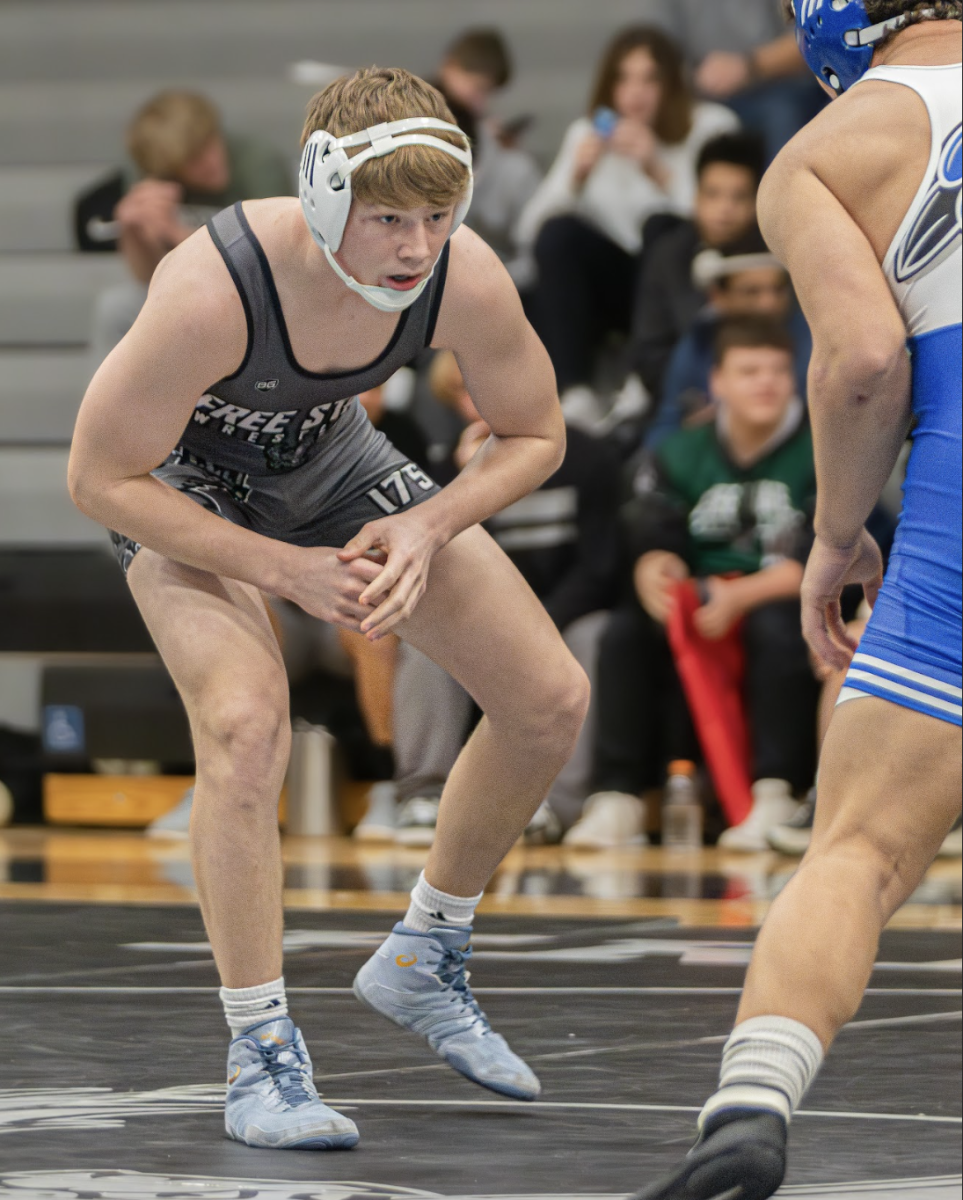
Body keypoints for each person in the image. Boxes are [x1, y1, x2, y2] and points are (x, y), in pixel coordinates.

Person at [68, 66, 589, 1152]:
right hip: (180, 483)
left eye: (437, 218)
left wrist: (429, 523)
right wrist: (278, 568)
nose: (413, 247)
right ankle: (259, 1052)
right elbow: (98, 478)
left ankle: (426, 952)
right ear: (320, 197)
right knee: (247, 723)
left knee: (546, 699)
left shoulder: (463, 277)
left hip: (329, 460)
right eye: (389, 218)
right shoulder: (213, 287)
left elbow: (537, 433)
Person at [635, 3, 961, 1196]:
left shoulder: (830, 152)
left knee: (861, 849)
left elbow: (865, 360)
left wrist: (833, 534)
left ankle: (749, 1111)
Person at [566, 317, 819, 850]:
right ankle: (619, 798)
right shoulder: (679, 452)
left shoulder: (823, 450)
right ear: (717, 383)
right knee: (624, 633)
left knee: (776, 629)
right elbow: (653, 528)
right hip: (704, 596)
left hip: (787, 595)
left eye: (777, 371)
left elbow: (833, 550)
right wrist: (654, 563)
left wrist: (741, 596)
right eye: (749, 372)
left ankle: (776, 791)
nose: (766, 383)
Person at [372, 351, 622, 846]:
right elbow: (439, 562)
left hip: (566, 609)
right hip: (477, 610)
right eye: (465, 395)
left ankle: (554, 799)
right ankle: (423, 791)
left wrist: (530, 626)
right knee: (423, 640)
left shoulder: (589, 456)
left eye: (489, 388)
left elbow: (600, 567)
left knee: (591, 638)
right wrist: (468, 485)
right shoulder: (442, 465)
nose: (480, 406)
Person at [515, 26, 739, 423]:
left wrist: (659, 170)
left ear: (671, 83)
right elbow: (529, 235)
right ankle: (575, 394)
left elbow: (727, 219)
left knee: (660, 225)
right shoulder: (587, 134)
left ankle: (641, 379)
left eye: (650, 79)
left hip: (684, 283)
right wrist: (575, 179)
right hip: (616, 288)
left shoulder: (710, 126)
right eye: (624, 78)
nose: (636, 92)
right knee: (559, 232)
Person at [90, 91, 292, 365]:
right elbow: (148, 278)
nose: (210, 162)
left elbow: (274, 264)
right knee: (116, 306)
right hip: (191, 294)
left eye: (210, 143)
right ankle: (113, 408)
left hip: (259, 302)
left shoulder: (258, 164)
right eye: (193, 159)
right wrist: (133, 233)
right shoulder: (151, 173)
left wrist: (178, 233)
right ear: (170, 169)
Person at [629, 132, 765, 404]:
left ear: (756, 202)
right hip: (684, 404)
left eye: (739, 197)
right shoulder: (668, 254)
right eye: (712, 194)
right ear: (696, 197)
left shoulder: (771, 259)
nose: (725, 209)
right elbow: (649, 350)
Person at [645, 228, 811, 449]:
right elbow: (665, 428)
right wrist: (696, 431)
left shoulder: (814, 339)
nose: (769, 303)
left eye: (778, 289)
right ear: (717, 296)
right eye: (752, 292)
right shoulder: (697, 342)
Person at [433, 28, 543, 284]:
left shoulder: (479, 127)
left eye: (488, 92)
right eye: (477, 89)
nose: (481, 103)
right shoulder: (425, 112)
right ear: (450, 65)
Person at [666, 0, 827, 163]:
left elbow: (813, 38)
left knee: (781, 115)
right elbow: (654, 44)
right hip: (701, 91)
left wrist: (747, 66)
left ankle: (782, 185)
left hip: (774, 86)